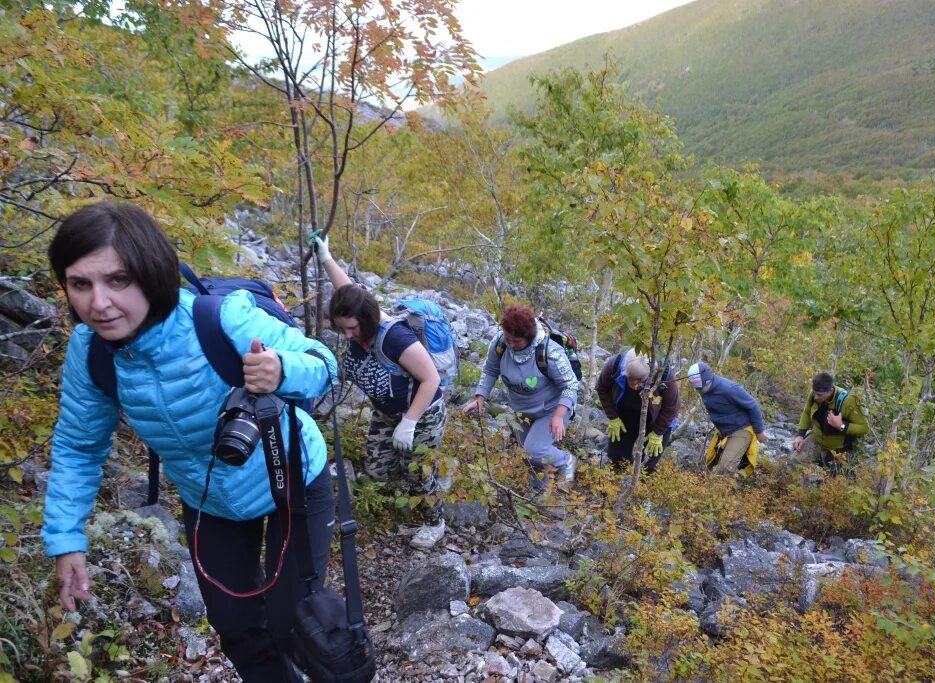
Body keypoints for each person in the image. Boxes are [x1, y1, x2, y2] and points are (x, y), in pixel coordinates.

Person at [42, 202, 338, 683]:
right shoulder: (90, 354)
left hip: (293, 478)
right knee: (237, 629)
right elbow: (78, 446)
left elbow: (323, 362)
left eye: (117, 280)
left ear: (152, 273)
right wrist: (65, 537)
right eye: (80, 283)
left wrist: (283, 370)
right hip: (209, 499)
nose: (98, 303)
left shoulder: (219, 318)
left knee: (295, 624)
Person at [314, 236, 448, 550]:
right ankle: (414, 483)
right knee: (377, 468)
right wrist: (326, 257)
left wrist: (410, 422)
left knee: (416, 471)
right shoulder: (355, 316)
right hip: (386, 412)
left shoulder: (395, 339)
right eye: (342, 328)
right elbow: (347, 289)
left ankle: (435, 520)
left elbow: (430, 379)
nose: (347, 334)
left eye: (352, 328)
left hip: (423, 413)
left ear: (368, 319)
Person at [462, 304, 578, 492]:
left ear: (528, 337)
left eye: (516, 341)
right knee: (529, 457)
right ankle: (539, 494)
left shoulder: (550, 352)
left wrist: (558, 416)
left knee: (534, 450)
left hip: (551, 409)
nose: (511, 344)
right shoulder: (500, 344)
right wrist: (480, 398)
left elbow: (570, 385)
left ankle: (566, 460)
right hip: (521, 410)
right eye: (508, 338)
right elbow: (490, 370)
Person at [596, 348, 680, 473]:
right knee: (616, 458)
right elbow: (602, 389)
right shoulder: (614, 366)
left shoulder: (665, 376)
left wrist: (658, 433)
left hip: (656, 421)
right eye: (630, 378)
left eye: (640, 380)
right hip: (624, 417)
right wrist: (613, 417)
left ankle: (640, 489)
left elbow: (671, 408)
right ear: (625, 370)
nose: (635, 384)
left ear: (651, 373)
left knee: (647, 465)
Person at [687, 361, 768, 477]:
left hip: (742, 428)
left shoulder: (729, 389)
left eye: (700, 388)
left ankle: (729, 488)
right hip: (723, 431)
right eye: (697, 389)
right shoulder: (703, 389)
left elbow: (753, 405)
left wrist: (759, 432)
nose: (699, 391)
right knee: (710, 465)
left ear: (708, 380)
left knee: (724, 468)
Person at [791, 372, 868, 474]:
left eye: (819, 395)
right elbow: (806, 412)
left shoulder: (848, 401)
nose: (815, 397)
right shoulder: (815, 394)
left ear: (830, 391)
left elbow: (864, 428)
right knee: (794, 462)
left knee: (833, 479)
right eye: (814, 393)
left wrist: (841, 426)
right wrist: (800, 435)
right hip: (817, 439)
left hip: (838, 449)